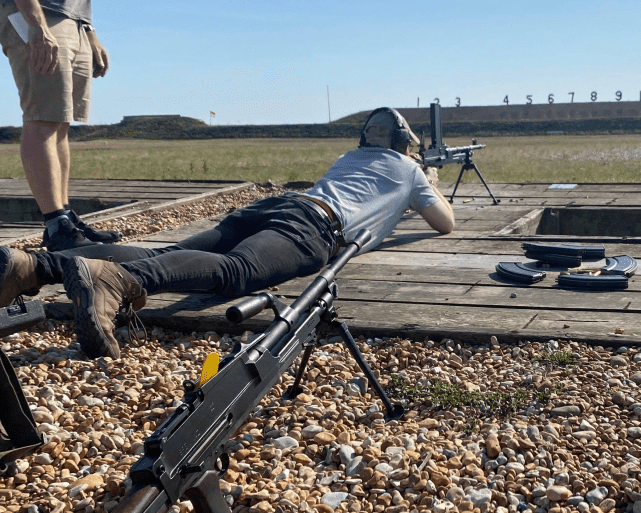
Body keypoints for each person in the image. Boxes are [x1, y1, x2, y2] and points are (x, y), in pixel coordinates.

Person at [0, 107, 455, 359]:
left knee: (174, 252)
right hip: (314, 223)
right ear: (404, 144)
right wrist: (427, 182)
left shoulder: (347, 159)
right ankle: (116, 281)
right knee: (238, 272)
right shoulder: (410, 168)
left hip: (271, 207)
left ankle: (32, 266)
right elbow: (444, 223)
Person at [0, 0, 122, 251]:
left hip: (71, 18)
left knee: (59, 121)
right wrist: (37, 24)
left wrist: (88, 29)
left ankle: (65, 217)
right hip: (37, 14)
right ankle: (56, 225)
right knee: (41, 118)